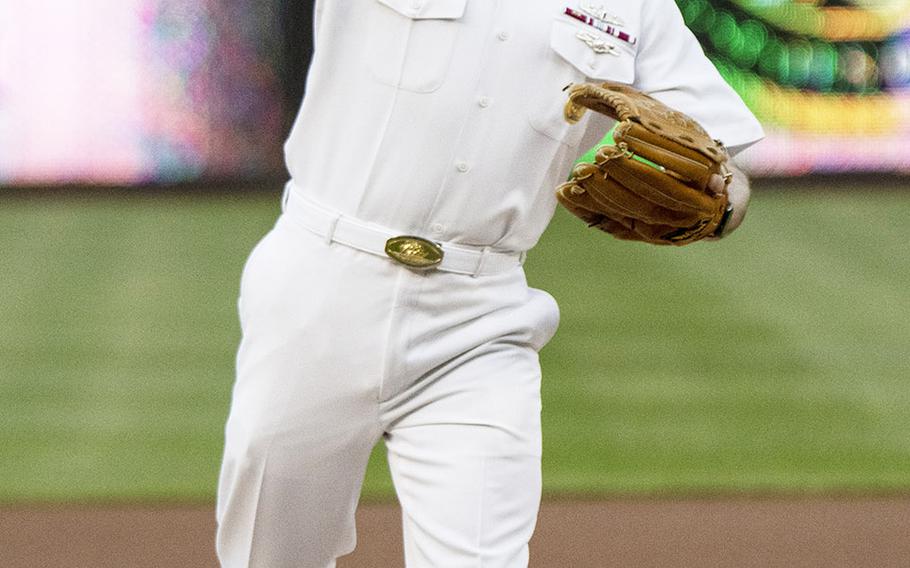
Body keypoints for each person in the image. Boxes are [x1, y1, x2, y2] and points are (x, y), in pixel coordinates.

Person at [215, 1, 764, 566]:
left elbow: (723, 161)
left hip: (479, 320)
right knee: (271, 555)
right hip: (318, 289)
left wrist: (722, 204)